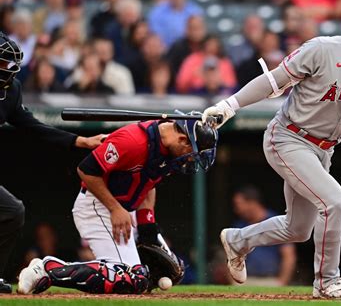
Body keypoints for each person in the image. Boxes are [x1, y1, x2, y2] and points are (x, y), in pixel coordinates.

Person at [202, 0, 341, 300]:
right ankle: (327, 281)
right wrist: (229, 105)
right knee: (334, 201)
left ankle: (238, 241)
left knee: (298, 228)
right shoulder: (323, 48)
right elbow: (274, 81)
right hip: (288, 136)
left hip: (323, 150)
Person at [17, 114, 219, 295]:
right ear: (182, 139)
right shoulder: (133, 141)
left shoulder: (168, 149)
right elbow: (86, 171)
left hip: (125, 209)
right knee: (130, 279)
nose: (190, 160)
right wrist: (115, 208)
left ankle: (129, 273)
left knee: (169, 272)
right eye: (193, 153)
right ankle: (47, 269)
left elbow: (150, 184)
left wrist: (147, 226)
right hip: (98, 206)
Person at [0, 32, 105, 294]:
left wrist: (81, 140)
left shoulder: (10, 91)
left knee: (13, 212)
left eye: (9, 65)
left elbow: (32, 127)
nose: (8, 70)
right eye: (2, 63)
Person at [232, 186, 296, 286]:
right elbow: (231, 254)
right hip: (245, 281)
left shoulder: (275, 222)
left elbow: (288, 255)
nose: (237, 209)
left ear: (252, 203)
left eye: (239, 204)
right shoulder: (240, 225)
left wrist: (282, 281)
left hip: (270, 280)